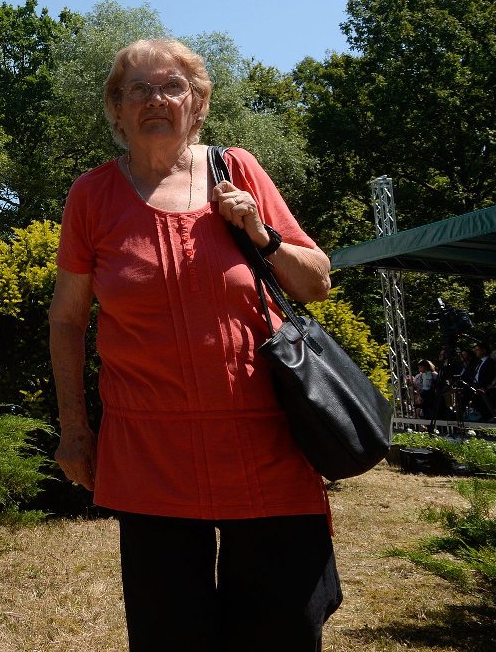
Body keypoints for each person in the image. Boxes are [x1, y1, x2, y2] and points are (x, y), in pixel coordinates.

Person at [48, 38, 340, 652]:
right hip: (150, 453)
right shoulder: (92, 197)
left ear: (198, 104)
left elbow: (317, 282)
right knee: (169, 633)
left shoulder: (238, 171)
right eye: (139, 90)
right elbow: (68, 320)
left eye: (171, 87)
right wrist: (74, 430)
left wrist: (259, 235)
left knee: (281, 630)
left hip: (267, 446)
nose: (156, 101)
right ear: (117, 109)